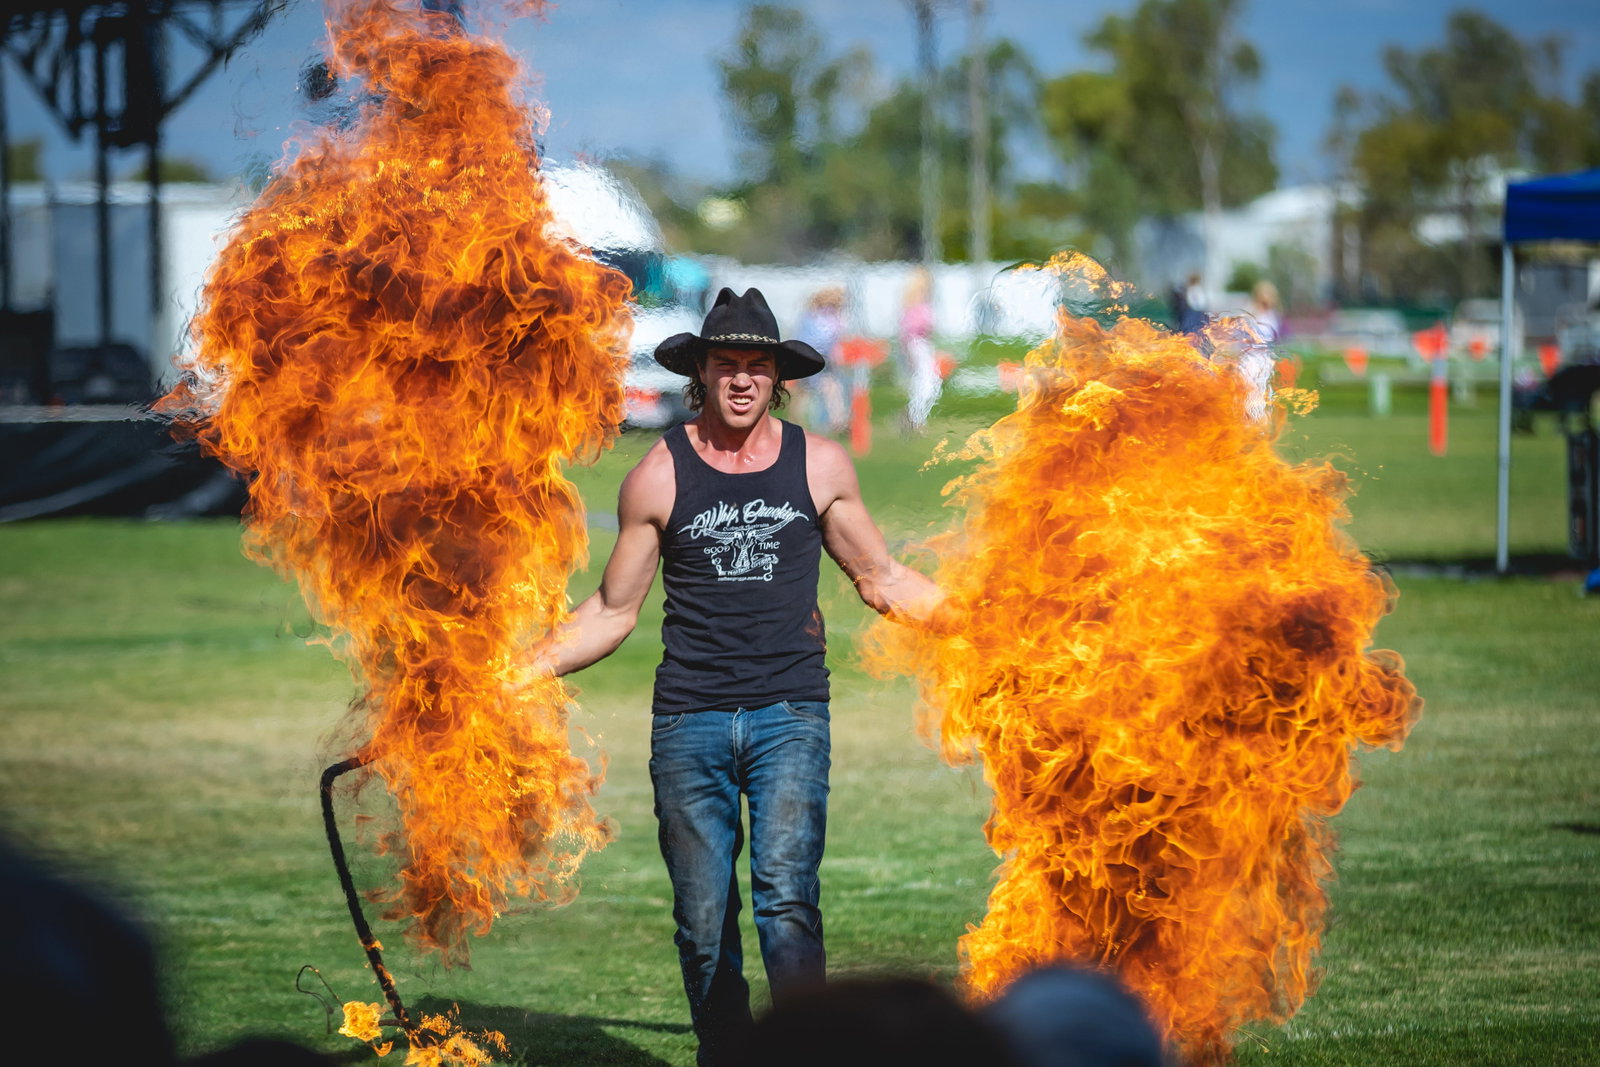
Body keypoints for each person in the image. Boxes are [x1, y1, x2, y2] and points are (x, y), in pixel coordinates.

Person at [541, 287, 945, 1066]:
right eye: (725, 364)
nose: (740, 380)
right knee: (701, 919)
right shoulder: (657, 476)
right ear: (700, 372)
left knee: (787, 901)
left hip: (789, 713)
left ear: (776, 378)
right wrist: (506, 672)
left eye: (756, 366)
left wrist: (999, 618)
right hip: (688, 720)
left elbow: (883, 577)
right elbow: (610, 611)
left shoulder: (818, 463)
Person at [897, 268, 942, 432]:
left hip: (922, 345)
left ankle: (915, 415)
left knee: (927, 382)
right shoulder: (914, 306)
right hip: (917, 345)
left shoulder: (919, 304)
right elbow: (907, 333)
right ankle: (915, 416)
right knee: (927, 382)